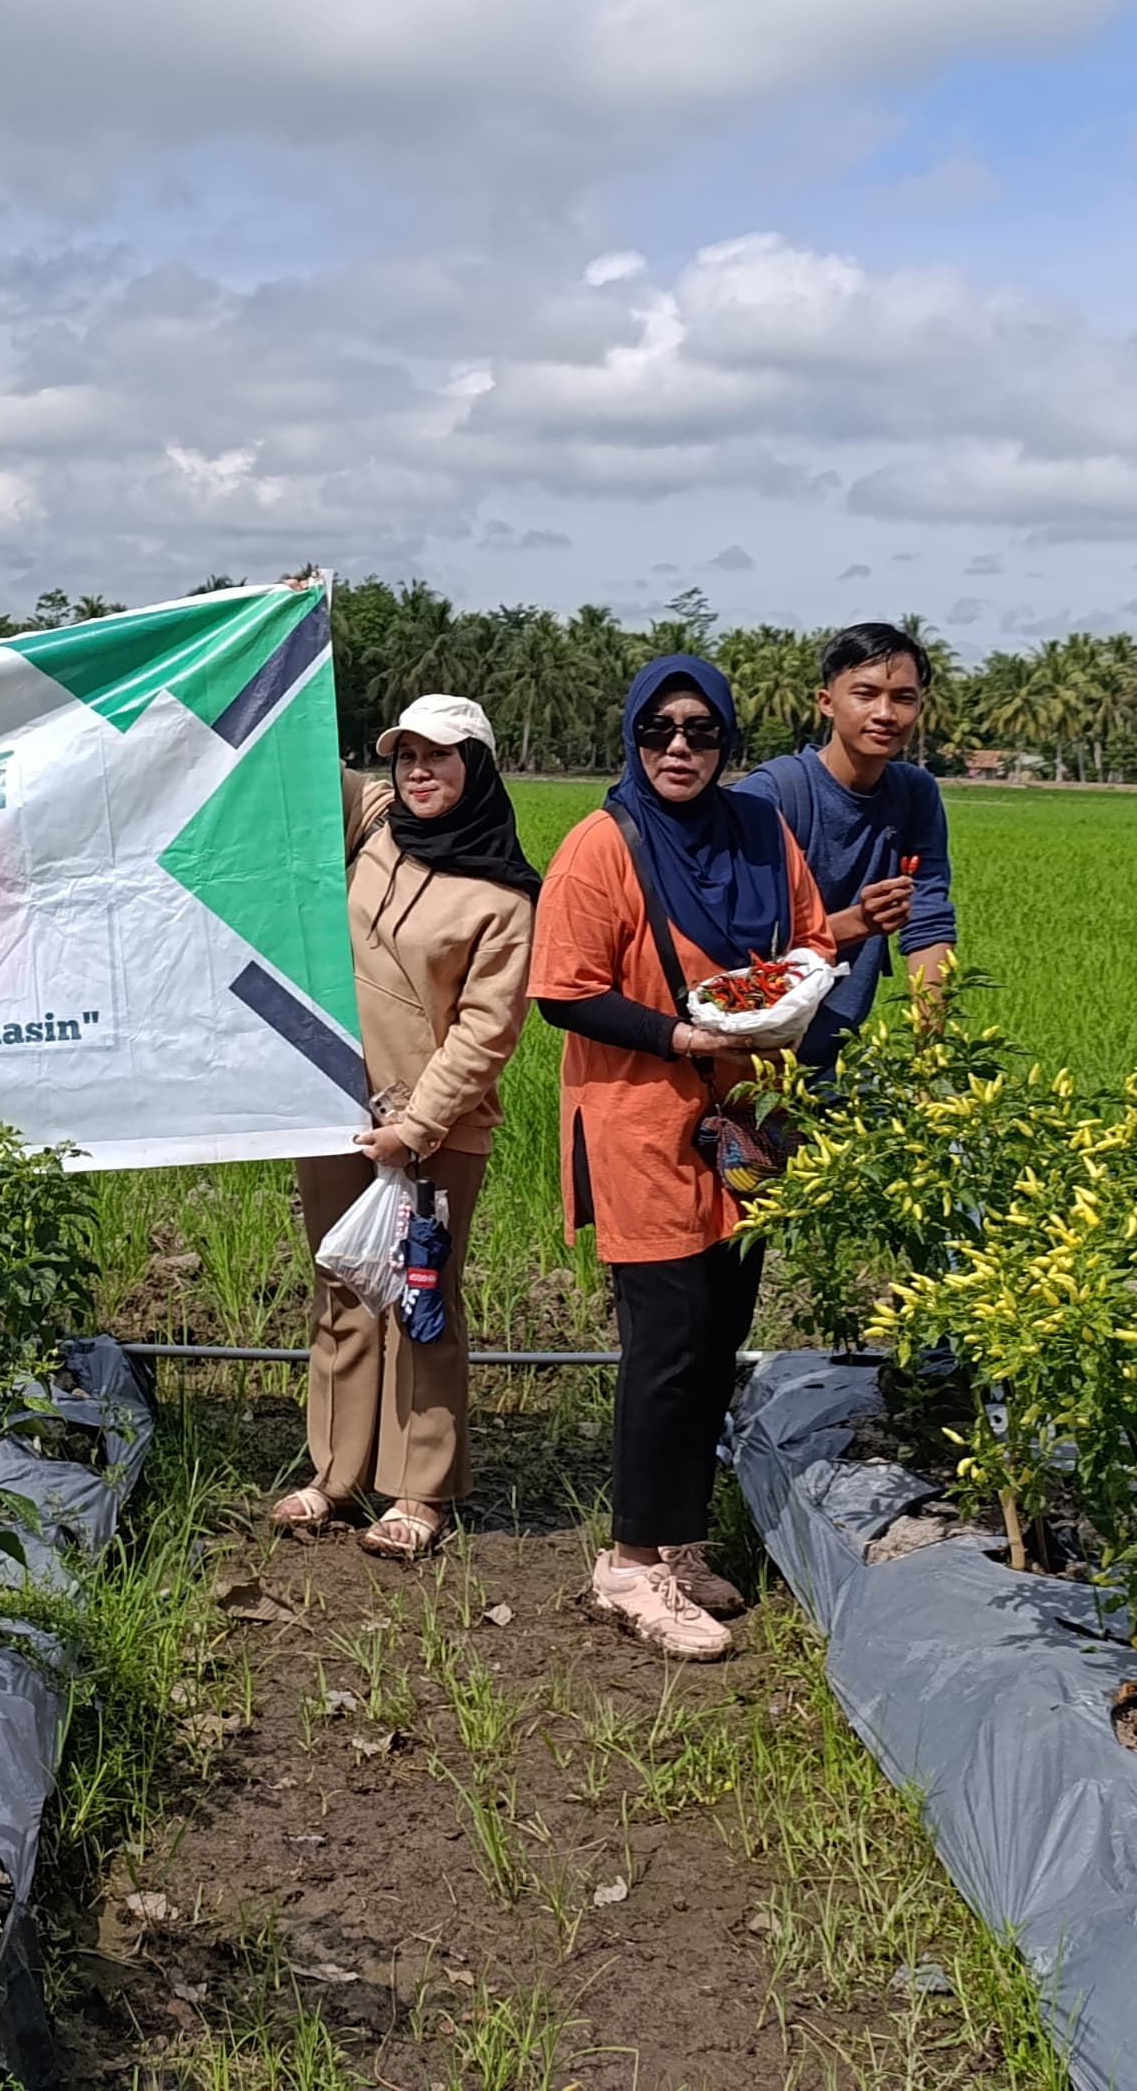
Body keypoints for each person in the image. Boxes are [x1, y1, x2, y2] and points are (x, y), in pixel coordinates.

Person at [530, 653, 825, 1661]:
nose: (680, 749)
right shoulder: (600, 846)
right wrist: (681, 1036)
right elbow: (562, 989)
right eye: (660, 731)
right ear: (633, 738)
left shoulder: (759, 832)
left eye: (701, 731)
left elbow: (810, 942)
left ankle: (679, 1543)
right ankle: (626, 1567)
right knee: (666, 1350)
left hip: (746, 1127)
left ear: (727, 741)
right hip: (639, 1124)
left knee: (718, 1342)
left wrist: (779, 1000)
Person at [274, 693, 541, 1564]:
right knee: (342, 1290)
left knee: (422, 1300)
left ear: (479, 770)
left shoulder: (501, 897)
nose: (421, 771)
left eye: (442, 756)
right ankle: (335, 1473)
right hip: (336, 1111)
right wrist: (281, 631)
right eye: (408, 756)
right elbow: (296, 763)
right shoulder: (376, 828)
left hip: (430, 1129)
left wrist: (416, 1125)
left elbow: (486, 1032)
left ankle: (419, 1490)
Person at [742, 622, 960, 1082]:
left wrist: (928, 1059)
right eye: (865, 693)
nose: (885, 713)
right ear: (826, 702)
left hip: (836, 1057)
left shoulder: (915, 795)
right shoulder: (772, 795)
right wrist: (853, 924)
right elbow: (726, 944)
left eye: (903, 698)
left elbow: (929, 921)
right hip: (744, 1055)